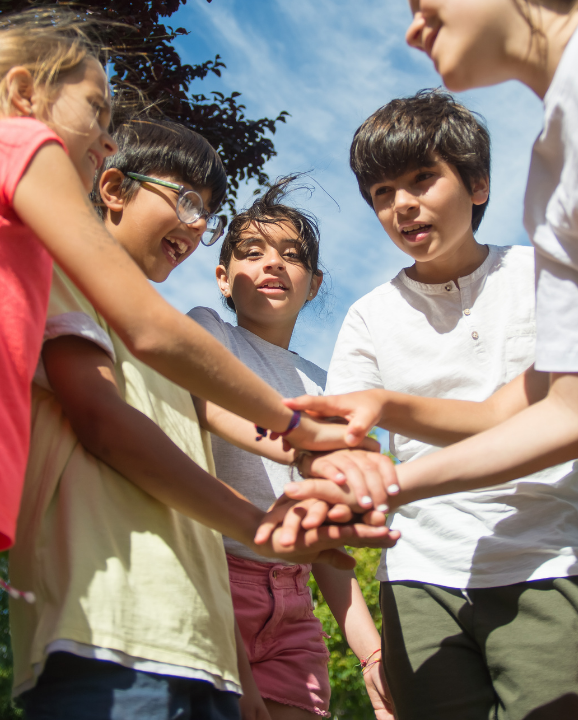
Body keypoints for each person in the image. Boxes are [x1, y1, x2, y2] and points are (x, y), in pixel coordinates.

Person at [9, 119, 397, 720]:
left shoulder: (179, 355)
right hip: (109, 624)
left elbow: (217, 420)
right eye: (187, 200)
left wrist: (314, 450)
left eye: (207, 213)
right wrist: (268, 503)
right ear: (110, 187)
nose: (195, 224)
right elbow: (114, 420)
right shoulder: (143, 318)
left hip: (203, 625)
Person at [283, 0, 578, 511]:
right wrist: (383, 485)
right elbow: (576, 410)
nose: (409, 31)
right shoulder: (553, 174)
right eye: (381, 193)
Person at [0, 6, 387, 554]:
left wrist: (296, 452)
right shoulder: (20, 144)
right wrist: (295, 430)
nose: (109, 141)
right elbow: (147, 335)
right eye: (95, 111)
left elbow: (200, 401)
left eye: (207, 212)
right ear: (22, 93)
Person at [284, 92, 578, 720]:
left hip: (544, 560)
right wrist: (328, 469)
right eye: (381, 192)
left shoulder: (547, 279)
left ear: (478, 183)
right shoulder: (369, 316)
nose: (401, 204)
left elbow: (534, 413)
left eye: (421, 179)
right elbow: (334, 441)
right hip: (418, 578)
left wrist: (383, 418)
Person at [188, 179, 395, 720]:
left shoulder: (326, 385)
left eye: (292, 256)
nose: (273, 264)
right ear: (223, 278)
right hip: (214, 576)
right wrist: (299, 444)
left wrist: (371, 652)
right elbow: (210, 408)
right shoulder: (209, 333)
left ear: (314, 282)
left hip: (294, 601)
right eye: (252, 253)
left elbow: (326, 544)